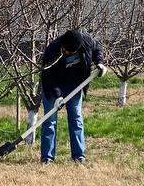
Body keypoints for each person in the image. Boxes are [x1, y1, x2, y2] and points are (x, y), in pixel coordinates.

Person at [37, 29, 105, 164]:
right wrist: (57, 96)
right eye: (66, 51)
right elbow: (47, 77)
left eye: (70, 53)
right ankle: (47, 158)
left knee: (76, 118)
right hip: (53, 85)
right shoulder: (53, 49)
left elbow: (97, 49)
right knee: (50, 120)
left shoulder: (86, 41)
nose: (67, 53)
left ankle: (79, 156)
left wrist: (99, 63)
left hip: (74, 85)